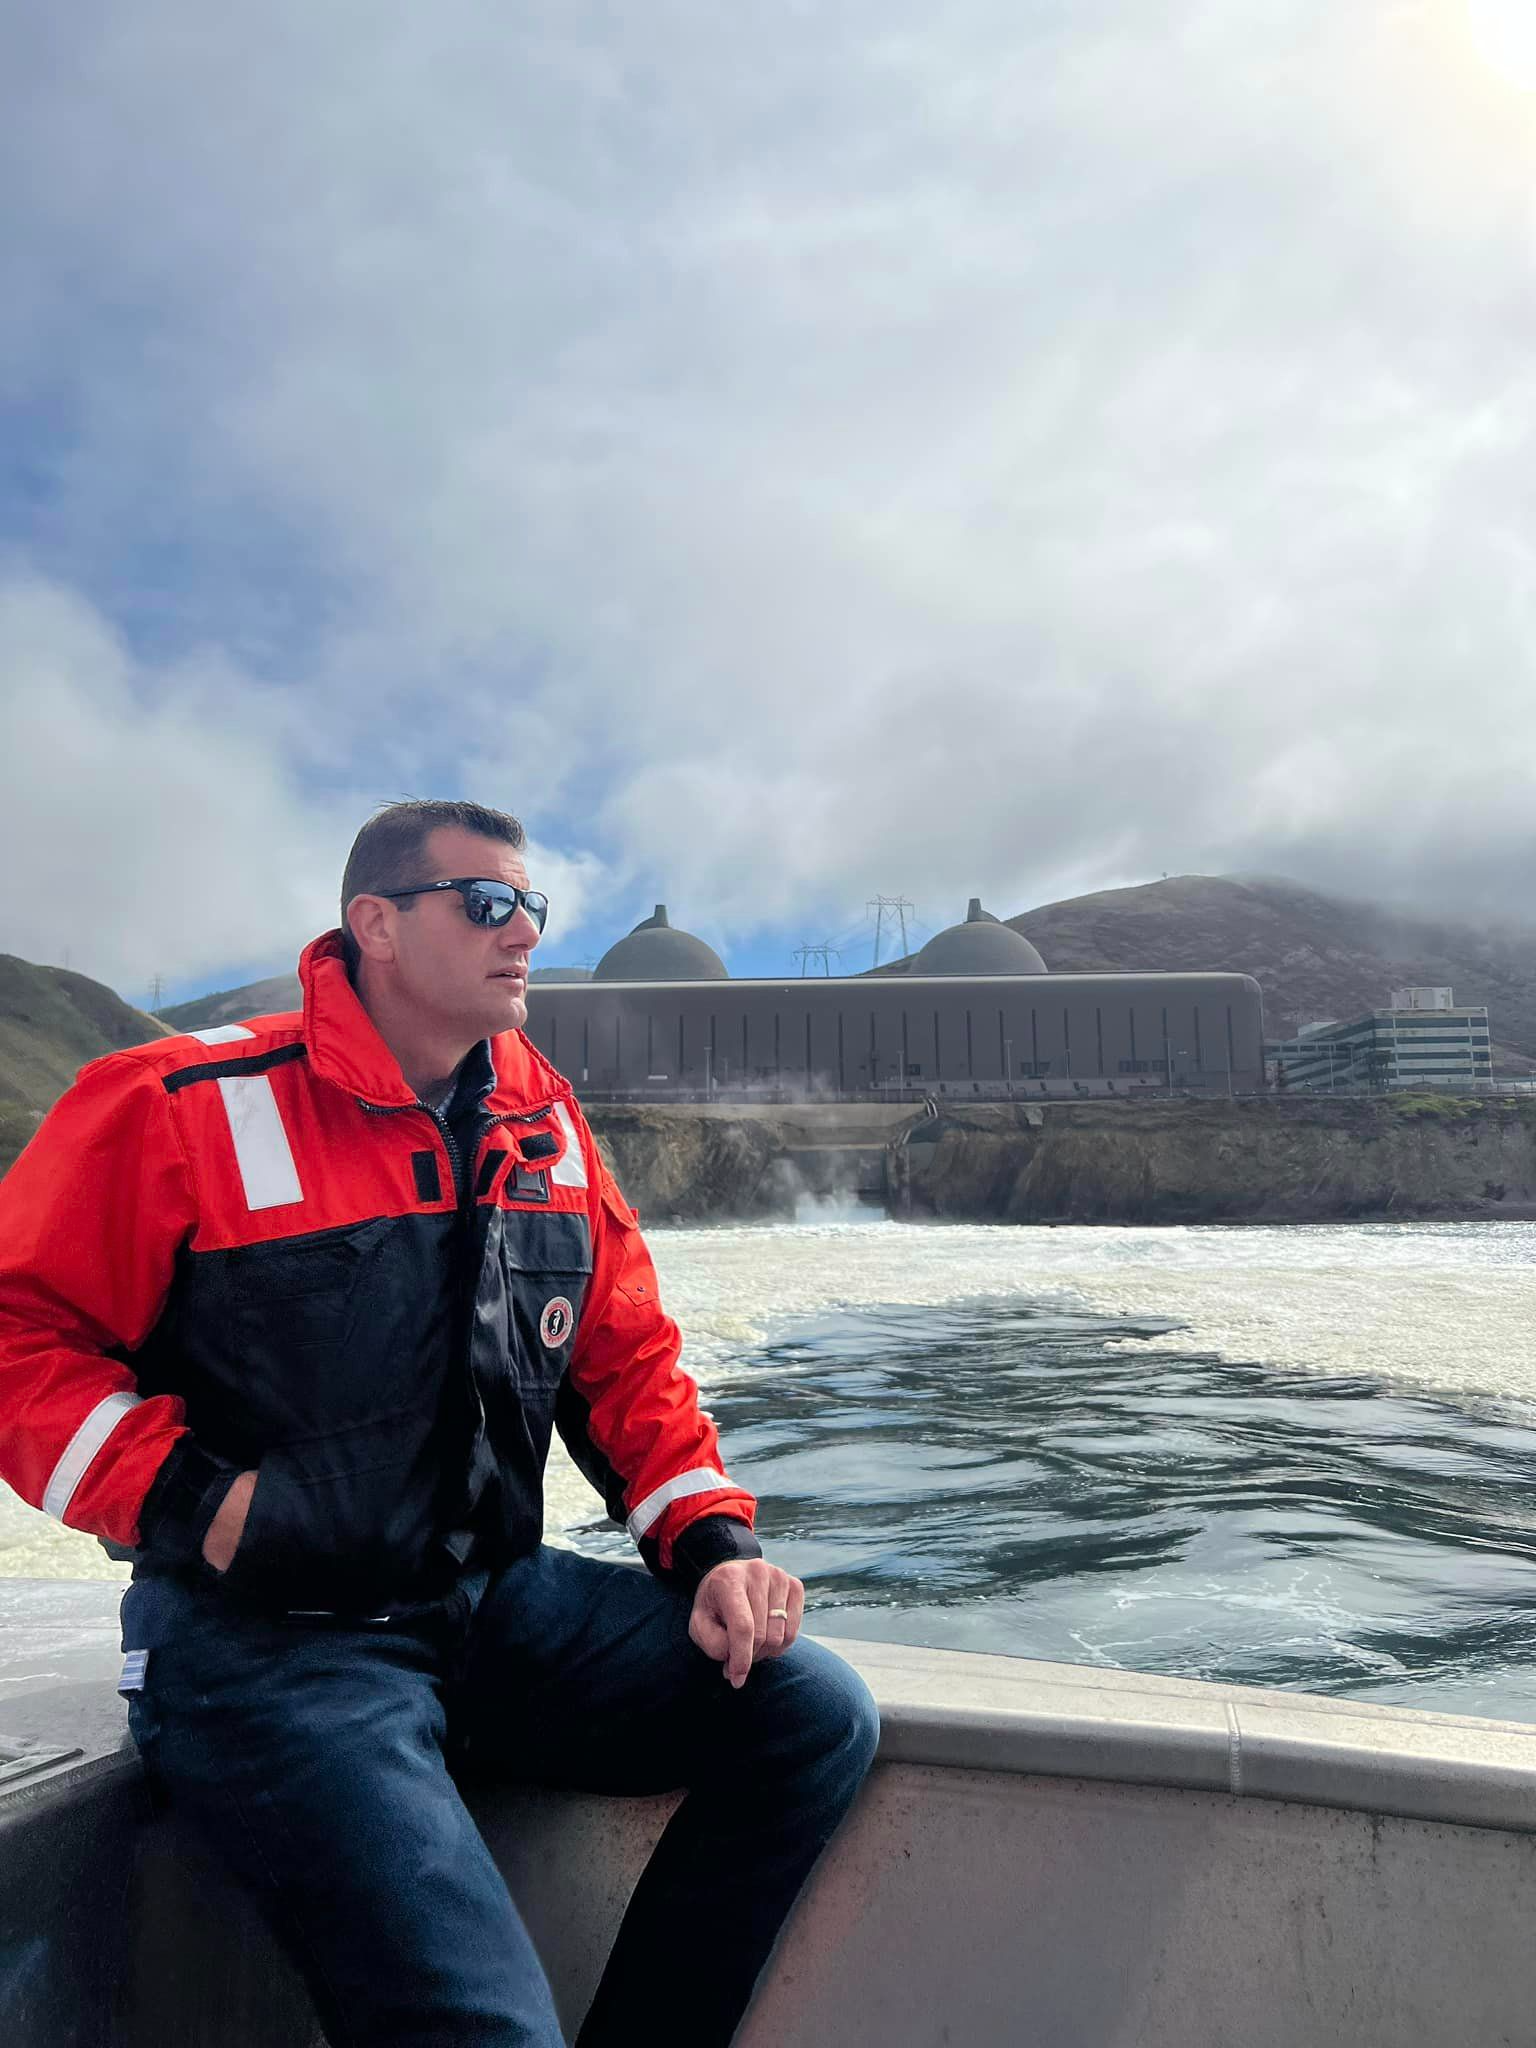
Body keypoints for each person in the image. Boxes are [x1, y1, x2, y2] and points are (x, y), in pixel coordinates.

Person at [0, 798, 879, 2047]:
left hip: (487, 1606)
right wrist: (204, 1498)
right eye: (487, 904)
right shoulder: (180, 1103)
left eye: (532, 905)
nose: (523, 931)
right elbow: (15, 1335)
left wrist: (710, 1541)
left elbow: (624, 1357)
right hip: (269, 1650)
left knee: (811, 1713)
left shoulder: (543, 1124)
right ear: (379, 925)